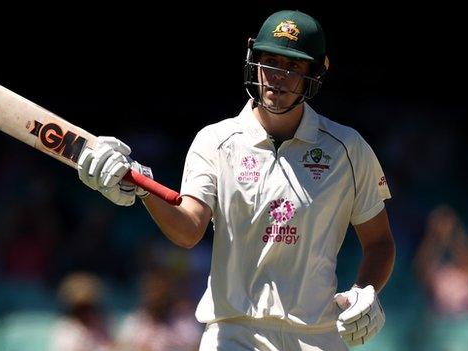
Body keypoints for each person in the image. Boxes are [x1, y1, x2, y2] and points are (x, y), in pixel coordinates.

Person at [77, 9, 395, 350]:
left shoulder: (347, 148)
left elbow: (379, 243)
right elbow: (188, 229)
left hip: (318, 335)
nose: (278, 77)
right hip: (234, 333)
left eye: (293, 67)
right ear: (254, 62)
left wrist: (366, 291)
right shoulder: (215, 141)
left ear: (313, 74)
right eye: (270, 61)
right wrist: (140, 184)